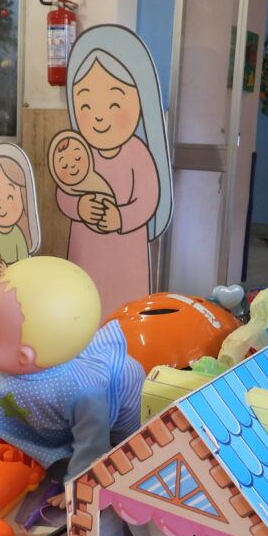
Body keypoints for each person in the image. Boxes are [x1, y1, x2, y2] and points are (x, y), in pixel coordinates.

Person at [0, 256, 144, 482]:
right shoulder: (8, 372)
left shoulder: (81, 392)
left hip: (123, 384)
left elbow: (92, 445)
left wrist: (78, 483)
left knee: (123, 446)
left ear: (24, 356)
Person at [53, 25, 172, 318]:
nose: (98, 116)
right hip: (86, 251)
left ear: (140, 101)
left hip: (127, 253)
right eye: (85, 104)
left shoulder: (137, 153)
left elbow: (147, 200)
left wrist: (121, 217)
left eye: (114, 103)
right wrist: (78, 205)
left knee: (123, 308)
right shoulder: (78, 151)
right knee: (85, 305)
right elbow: (63, 191)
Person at [0, 143, 40, 328]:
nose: (0, 204)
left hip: (10, 291)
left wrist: (8, 269)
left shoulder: (18, 236)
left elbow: (24, 267)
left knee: (7, 322)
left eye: (9, 197)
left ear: (23, 198)